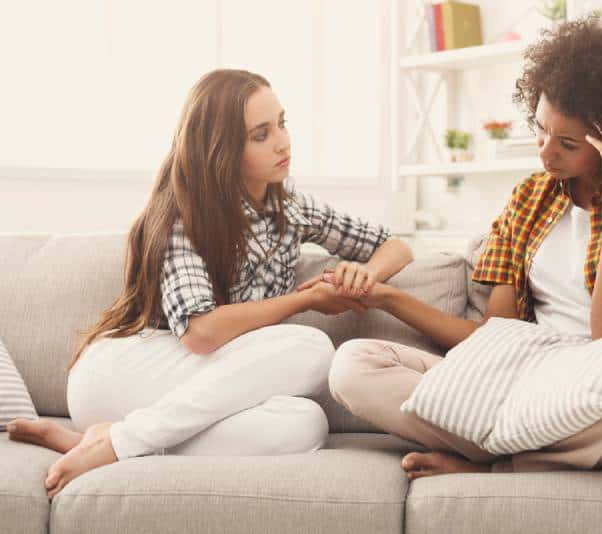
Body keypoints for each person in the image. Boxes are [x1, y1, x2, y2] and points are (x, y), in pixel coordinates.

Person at [323, 17, 602, 479]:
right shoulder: (529, 197)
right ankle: (591, 455)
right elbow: (495, 336)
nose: (544, 154)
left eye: (566, 144)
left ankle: (504, 462)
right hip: (527, 378)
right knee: (353, 366)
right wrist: (387, 297)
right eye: (540, 130)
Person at [7, 68, 413, 498]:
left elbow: (395, 247)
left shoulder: (291, 207)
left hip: (183, 393)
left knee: (304, 424)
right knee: (311, 347)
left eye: (282, 123)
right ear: (220, 149)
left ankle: (111, 439)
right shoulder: (182, 216)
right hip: (122, 374)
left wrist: (364, 275)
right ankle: (120, 442)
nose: (283, 141)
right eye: (261, 134)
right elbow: (201, 334)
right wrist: (303, 301)